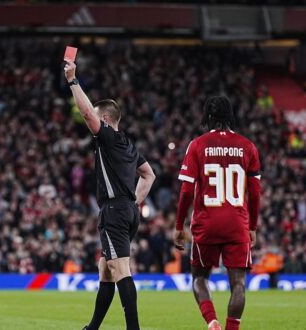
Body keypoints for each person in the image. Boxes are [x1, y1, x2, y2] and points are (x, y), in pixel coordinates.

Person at [63, 60, 155, 330]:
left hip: (114, 211)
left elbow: (85, 113)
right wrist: (135, 201)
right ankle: (92, 327)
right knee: (106, 269)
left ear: (104, 119)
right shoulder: (128, 145)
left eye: (94, 114)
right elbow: (149, 174)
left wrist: (73, 80)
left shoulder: (109, 138)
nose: (88, 117)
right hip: (127, 210)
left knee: (120, 269)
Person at [173, 96, 261, 330]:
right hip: (237, 224)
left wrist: (179, 226)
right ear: (230, 117)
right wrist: (253, 226)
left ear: (208, 117)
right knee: (239, 284)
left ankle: (212, 322)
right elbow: (255, 193)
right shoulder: (248, 146)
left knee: (200, 277)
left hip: (206, 223)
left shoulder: (198, 145)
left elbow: (186, 192)